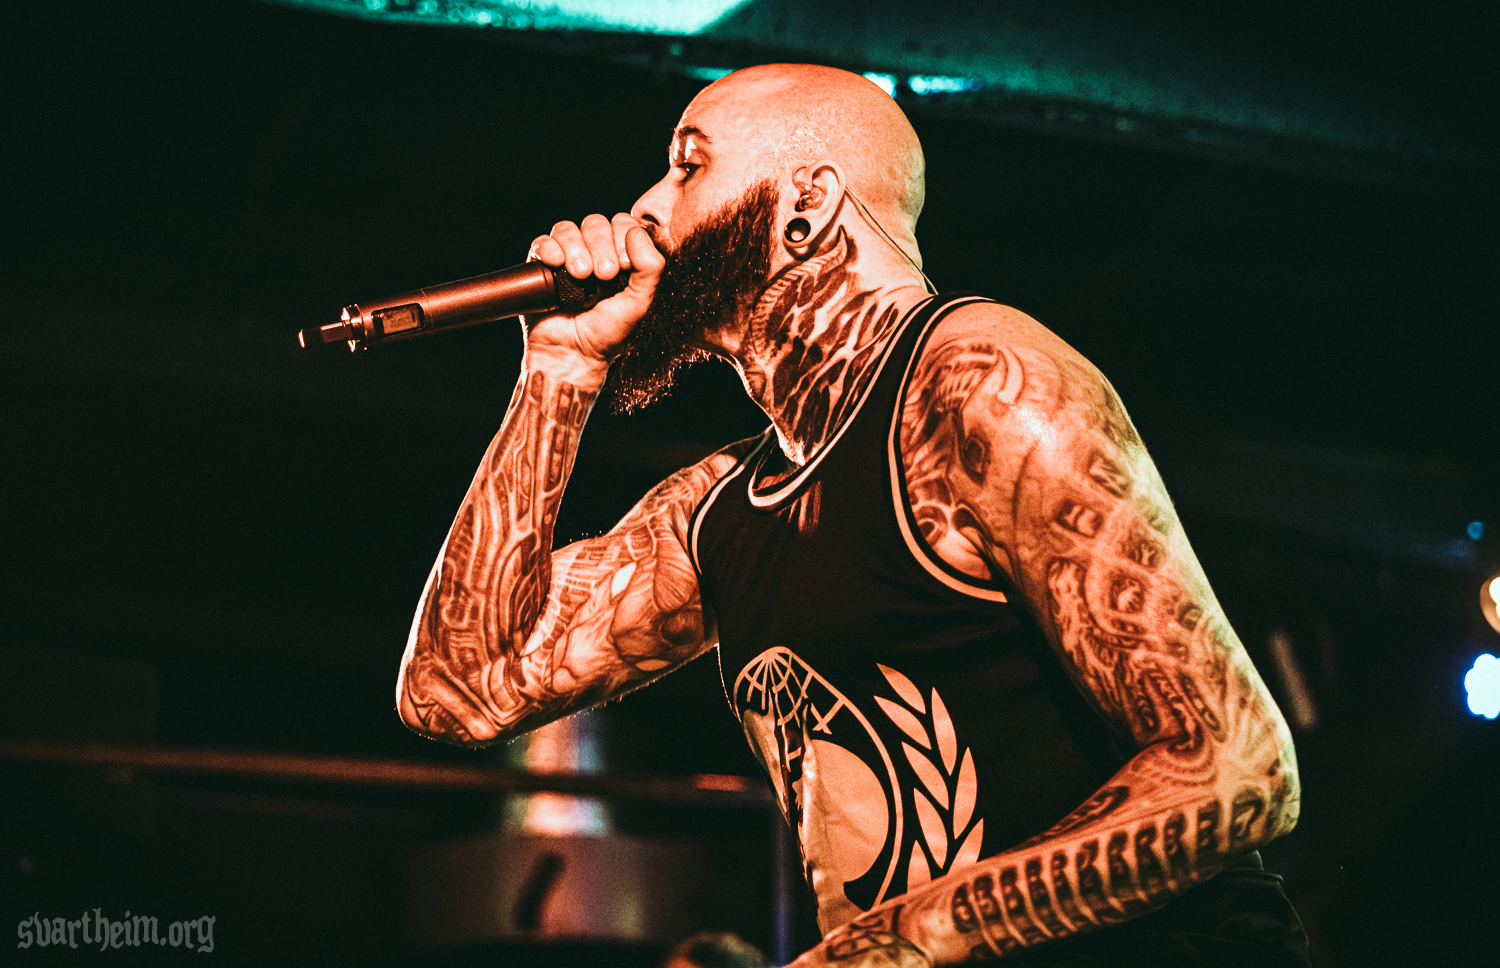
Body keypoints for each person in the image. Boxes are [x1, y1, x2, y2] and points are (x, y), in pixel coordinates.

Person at [395, 64, 1308, 966]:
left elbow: (1240, 769)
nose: (644, 206)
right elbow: (460, 691)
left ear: (808, 203)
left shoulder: (978, 383)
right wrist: (558, 369)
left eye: (688, 165)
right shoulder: (719, 507)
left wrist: (895, 942)